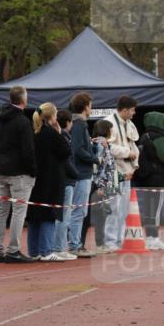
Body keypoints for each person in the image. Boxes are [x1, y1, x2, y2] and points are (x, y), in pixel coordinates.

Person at [0, 85, 37, 263]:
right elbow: (28, 150)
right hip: (20, 173)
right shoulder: (23, 121)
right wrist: (33, 171)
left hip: (1, 170)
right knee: (19, 211)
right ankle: (13, 250)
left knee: (2, 211)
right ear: (24, 99)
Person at [26, 103, 70, 261]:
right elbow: (66, 151)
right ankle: (46, 251)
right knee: (48, 214)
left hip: (35, 179)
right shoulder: (51, 133)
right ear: (52, 116)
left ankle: (34, 251)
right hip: (51, 179)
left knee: (34, 215)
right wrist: (60, 133)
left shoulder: (34, 132)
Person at [133, 111, 164, 250]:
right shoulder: (158, 137)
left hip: (146, 178)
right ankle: (153, 238)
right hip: (158, 178)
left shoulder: (144, 136)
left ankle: (150, 237)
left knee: (149, 209)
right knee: (156, 210)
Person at [104, 95, 140, 251]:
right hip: (113, 173)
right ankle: (109, 241)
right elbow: (107, 147)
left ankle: (119, 240)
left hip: (126, 172)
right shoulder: (109, 123)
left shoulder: (129, 124)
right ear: (124, 110)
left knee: (124, 209)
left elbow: (133, 145)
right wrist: (127, 153)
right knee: (113, 208)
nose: (134, 113)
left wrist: (133, 167)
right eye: (132, 110)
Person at [67, 92, 95, 257]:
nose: (91, 108)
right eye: (90, 105)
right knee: (78, 211)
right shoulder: (79, 124)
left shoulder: (79, 124)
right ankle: (75, 245)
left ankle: (75, 243)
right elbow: (78, 149)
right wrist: (95, 158)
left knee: (80, 211)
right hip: (81, 173)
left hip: (82, 172)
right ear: (85, 107)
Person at [89, 119, 119, 253]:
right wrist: (100, 187)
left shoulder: (103, 143)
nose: (112, 131)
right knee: (101, 215)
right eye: (110, 129)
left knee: (103, 214)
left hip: (104, 183)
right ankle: (100, 244)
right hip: (100, 185)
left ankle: (101, 243)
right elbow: (98, 167)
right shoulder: (100, 144)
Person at [52, 109, 78, 260]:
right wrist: (76, 174)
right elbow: (67, 160)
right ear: (68, 122)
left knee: (61, 216)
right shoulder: (64, 137)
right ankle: (59, 247)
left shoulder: (61, 136)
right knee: (63, 217)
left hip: (62, 179)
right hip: (66, 180)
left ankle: (58, 246)